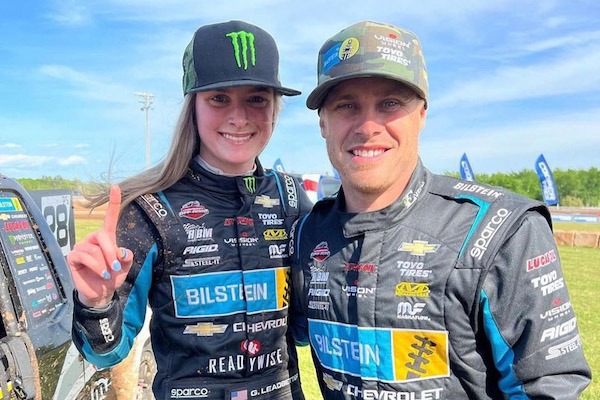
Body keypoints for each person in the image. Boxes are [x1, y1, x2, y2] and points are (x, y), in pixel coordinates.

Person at [290, 21, 591, 399]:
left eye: (390, 104)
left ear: (421, 115)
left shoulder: (500, 229)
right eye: (346, 106)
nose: (367, 126)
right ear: (323, 123)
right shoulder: (307, 234)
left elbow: (549, 388)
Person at [67, 20, 312, 400]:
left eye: (257, 98)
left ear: (275, 107)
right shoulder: (147, 209)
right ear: (192, 106)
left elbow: (303, 331)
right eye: (218, 98)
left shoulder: (294, 199)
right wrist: (96, 304)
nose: (239, 117)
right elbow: (104, 352)